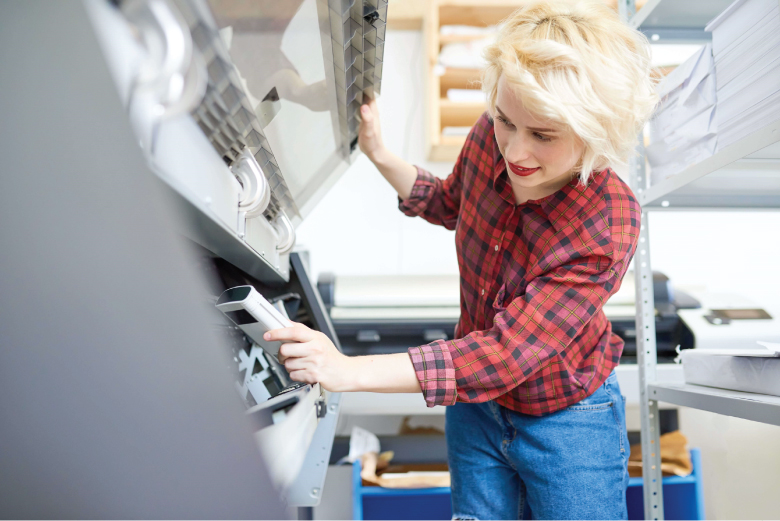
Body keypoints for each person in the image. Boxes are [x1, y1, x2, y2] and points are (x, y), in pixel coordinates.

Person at [264, 1, 657, 518]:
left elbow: (504, 354)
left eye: (542, 135)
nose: (515, 150)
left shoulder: (607, 220)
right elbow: (450, 201)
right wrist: (378, 151)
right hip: (476, 410)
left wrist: (345, 370)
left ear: (596, 131)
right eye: (505, 121)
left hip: (567, 417)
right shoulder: (492, 136)